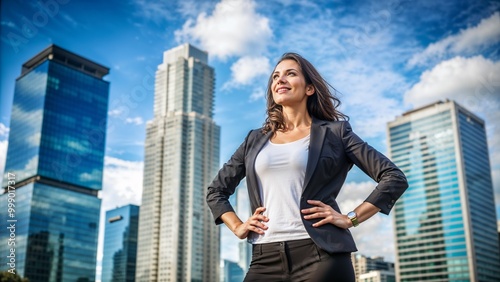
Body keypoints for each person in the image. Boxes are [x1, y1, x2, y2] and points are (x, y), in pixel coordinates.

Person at [206, 52, 408, 282]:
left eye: (290, 74)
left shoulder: (336, 133)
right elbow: (216, 191)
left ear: (309, 88)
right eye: (275, 76)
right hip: (264, 257)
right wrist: (238, 226)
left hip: (321, 255)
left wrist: (350, 218)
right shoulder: (254, 139)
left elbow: (393, 177)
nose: (279, 80)